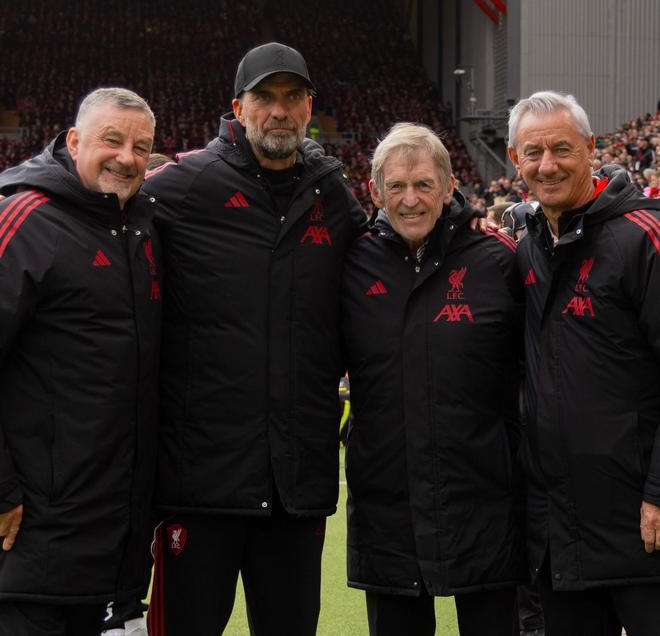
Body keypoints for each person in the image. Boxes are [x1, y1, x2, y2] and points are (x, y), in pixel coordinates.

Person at [142, 42, 366, 636]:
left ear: (310, 107)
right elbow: (94, 210)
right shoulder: (183, 185)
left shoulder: (331, 195)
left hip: (295, 487)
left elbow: (393, 253)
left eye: (293, 97)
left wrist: (463, 222)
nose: (280, 111)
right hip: (200, 487)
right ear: (238, 108)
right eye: (264, 97)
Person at [341, 122, 526, 636]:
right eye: (397, 186)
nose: (410, 200)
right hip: (387, 503)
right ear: (374, 191)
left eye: (423, 184)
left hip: (485, 499)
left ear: (449, 187)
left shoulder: (498, 258)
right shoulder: (350, 263)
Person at [0, 88, 161, 636]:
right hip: (30, 544)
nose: (127, 158)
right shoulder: (24, 217)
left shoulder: (139, 226)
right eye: (112, 140)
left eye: (141, 147)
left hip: (108, 551)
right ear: (73, 141)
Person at [507, 90, 660, 636]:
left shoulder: (641, 238)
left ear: (592, 148)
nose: (547, 165)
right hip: (562, 534)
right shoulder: (526, 246)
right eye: (533, 152)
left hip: (641, 524)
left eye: (562, 149)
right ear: (514, 159)